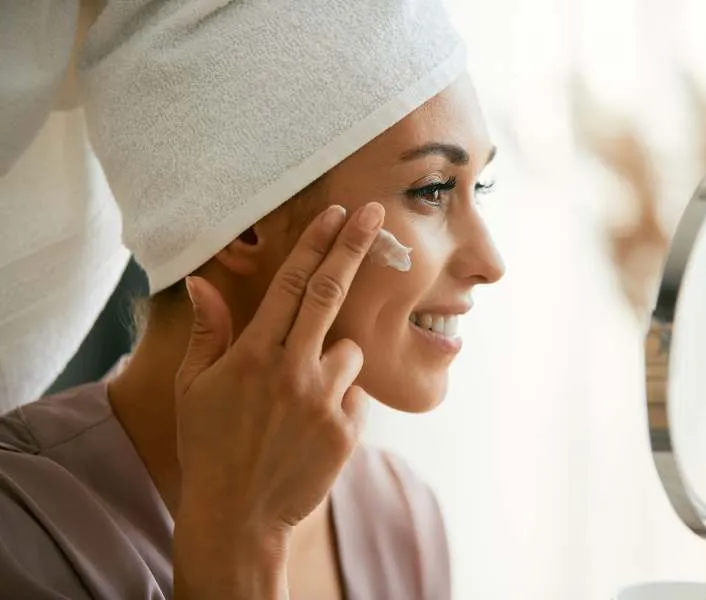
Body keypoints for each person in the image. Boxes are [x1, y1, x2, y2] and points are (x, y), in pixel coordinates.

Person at [0, 0, 504, 598]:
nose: (490, 264)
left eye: (482, 186)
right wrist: (240, 540)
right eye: (434, 190)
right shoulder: (21, 533)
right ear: (243, 224)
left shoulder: (399, 518)